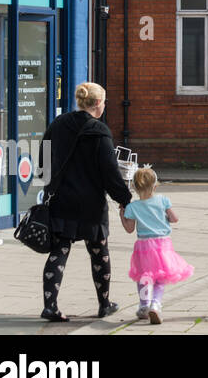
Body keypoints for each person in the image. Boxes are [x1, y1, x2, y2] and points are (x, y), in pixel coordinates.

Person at [38, 82, 133, 322]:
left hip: (61, 199)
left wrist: (50, 184)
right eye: (104, 101)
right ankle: (104, 304)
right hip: (91, 203)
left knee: (59, 250)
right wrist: (125, 200)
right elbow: (110, 173)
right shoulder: (99, 131)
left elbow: (42, 160)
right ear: (98, 104)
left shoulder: (58, 124)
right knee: (99, 251)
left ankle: (51, 306)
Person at [120, 167, 193, 323]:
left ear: (135, 187)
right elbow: (174, 219)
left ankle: (144, 305)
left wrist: (122, 214)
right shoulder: (163, 200)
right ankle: (156, 304)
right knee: (160, 277)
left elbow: (129, 229)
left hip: (143, 246)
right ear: (155, 185)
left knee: (144, 277)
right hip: (163, 244)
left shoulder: (132, 207)